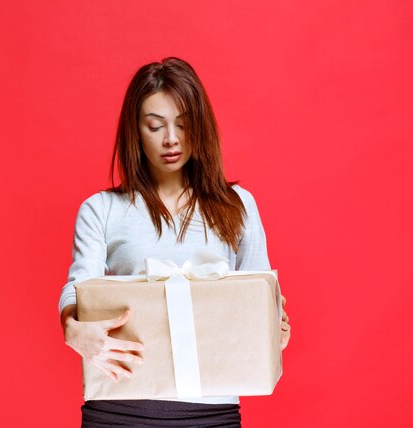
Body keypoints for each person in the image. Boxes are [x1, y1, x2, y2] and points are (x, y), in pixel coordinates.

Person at [58, 57, 291, 428]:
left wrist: (276, 324)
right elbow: (78, 287)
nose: (172, 138)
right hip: (118, 411)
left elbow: (261, 290)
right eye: (155, 125)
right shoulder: (101, 209)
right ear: (135, 131)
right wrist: (71, 325)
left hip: (212, 414)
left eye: (183, 124)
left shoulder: (238, 205)